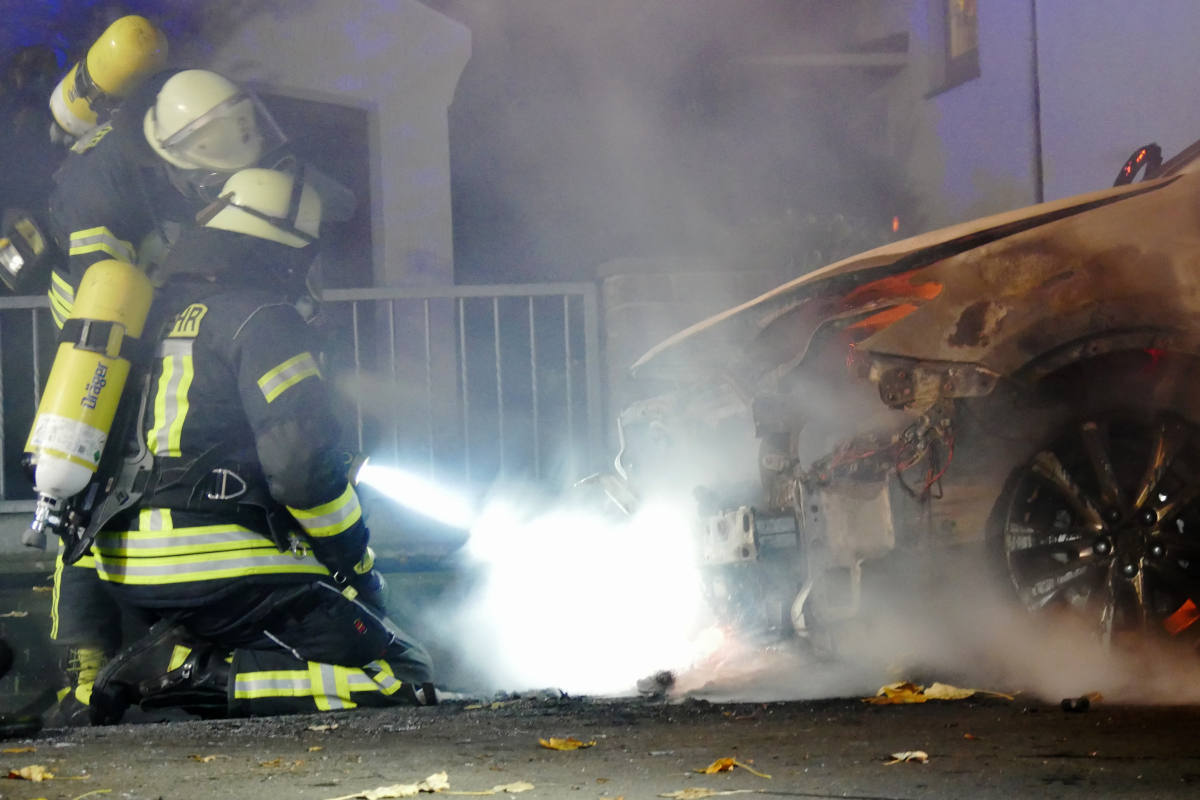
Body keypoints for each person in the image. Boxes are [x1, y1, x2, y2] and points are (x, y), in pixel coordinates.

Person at [85, 167, 433, 722]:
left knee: (293, 654)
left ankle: (187, 668)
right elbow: (300, 468)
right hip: (215, 560)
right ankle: (190, 674)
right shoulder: (263, 318)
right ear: (283, 251)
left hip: (125, 562)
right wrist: (354, 560)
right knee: (402, 678)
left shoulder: (151, 317)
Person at [41, 66, 289, 725]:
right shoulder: (108, 178)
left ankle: (119, 672)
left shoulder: (165, 157)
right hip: (107, 338)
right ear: (191, 150)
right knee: (83, 498)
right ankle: (84, 676)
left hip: (146, 327)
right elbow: (103, 278)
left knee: (115, 485)